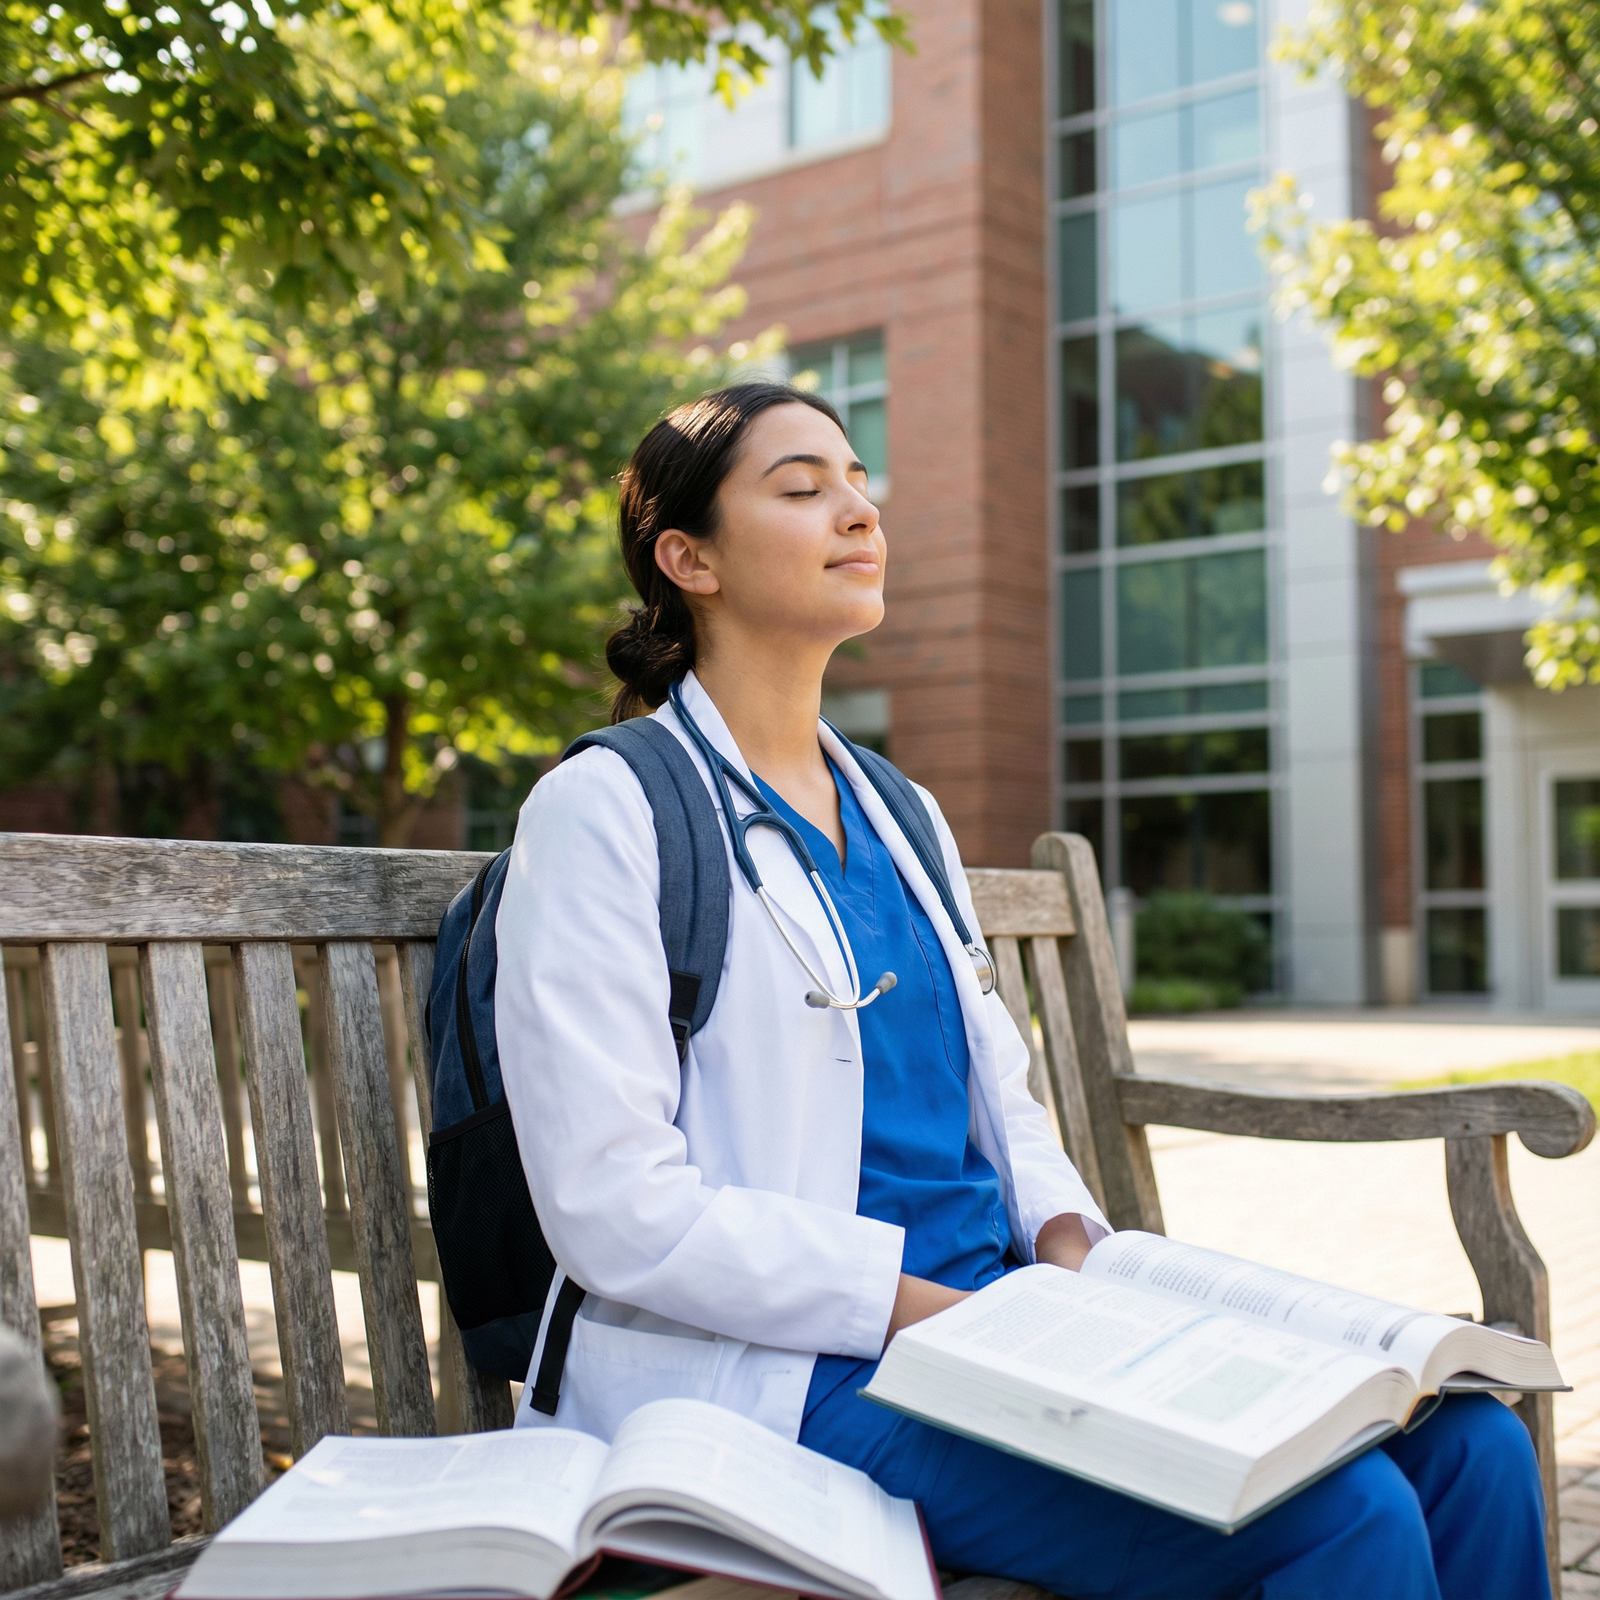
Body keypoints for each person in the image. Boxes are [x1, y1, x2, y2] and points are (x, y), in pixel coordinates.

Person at [494, 382, 1549, 1600]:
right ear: (688, 558)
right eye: (802, 489)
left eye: (856, 479)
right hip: (796, 1373)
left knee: (1469, 1447)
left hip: (1004, 1328)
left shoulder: (898, 812)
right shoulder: (607, 811)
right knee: (1338, 1510)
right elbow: (613, 1205)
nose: (857, 508)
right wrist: (923, 1308)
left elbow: (997, 1085)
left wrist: (1063, 1237)